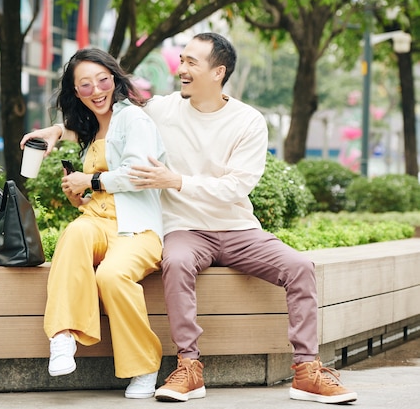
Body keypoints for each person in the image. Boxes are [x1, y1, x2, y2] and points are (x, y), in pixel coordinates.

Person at [21, 33, 358, 405]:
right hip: (184, 230)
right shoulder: (162, 109)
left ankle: (307, 370)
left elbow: (236, 187)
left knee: (300, 267)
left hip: (238, 228)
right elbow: (111, 121)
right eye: (181, 60)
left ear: (218, 72)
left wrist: (176, 180)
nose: (180, 69)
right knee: (176, 262)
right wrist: (58, 130)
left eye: (191, 62)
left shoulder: (248, 121)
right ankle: (188, 368)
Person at [21, 48, 166, 399]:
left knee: (111, 275)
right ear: (75, 92)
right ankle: (62, 336)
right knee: (74, 235)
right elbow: (92, 180)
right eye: (85, 85)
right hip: (97, 219)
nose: (96, 90)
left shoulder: (134, 120)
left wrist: (91, 182)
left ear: (114, 79)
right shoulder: (91, 127)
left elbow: (138, 174)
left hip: (138, 229)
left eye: (102, 80)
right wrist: (80, 194)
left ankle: (145, 365)